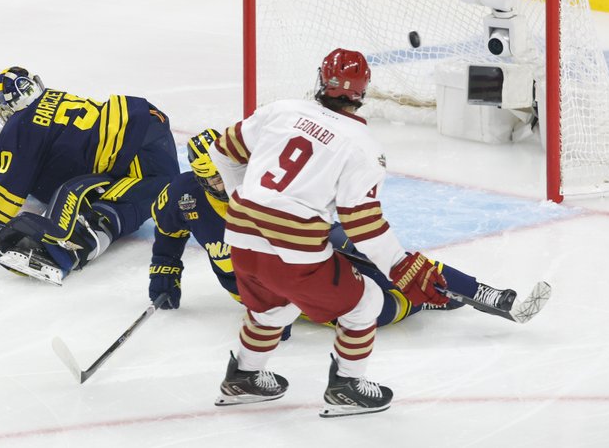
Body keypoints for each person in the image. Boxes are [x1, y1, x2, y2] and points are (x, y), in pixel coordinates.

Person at [208, 48, 449, 417]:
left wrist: (244, 198)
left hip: (240, 232)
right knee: (366, 301)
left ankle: (244, 376)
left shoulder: (282, 109)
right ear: (363, 92)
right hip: (294, 246)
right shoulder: (363, 145)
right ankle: (347, 386)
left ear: (321, 80)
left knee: (273, 305)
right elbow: (361, 222)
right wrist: (401, 266)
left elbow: (223, 150)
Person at [149, 129, 547, 329]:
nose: (225, 184)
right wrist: (165, 274)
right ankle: (421, 300)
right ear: (199, 178)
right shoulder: (182, 196)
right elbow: (167, 236)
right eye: (214, 180)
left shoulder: (259, 183)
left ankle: (482, 291)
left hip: (300, 256)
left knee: (379, 257)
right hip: (273, 291)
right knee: (373, 311)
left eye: (228, 174)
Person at [0, 67, 180, 284]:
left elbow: (0, 198)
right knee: (144, 194)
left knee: (94, 209)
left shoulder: (21, 127)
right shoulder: (55, 98)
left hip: (134, 156)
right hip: (149, 132)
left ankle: (70, 246)